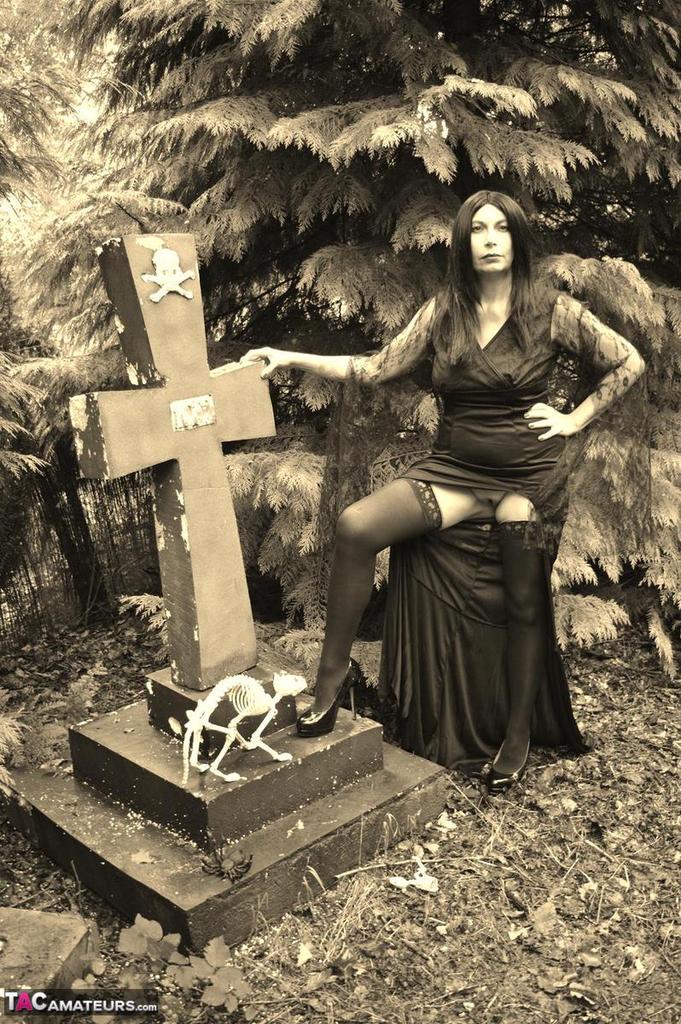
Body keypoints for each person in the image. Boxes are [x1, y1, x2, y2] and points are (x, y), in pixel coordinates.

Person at [239, 190, 646, 793]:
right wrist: (287, 356)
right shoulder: (444, 311)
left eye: (499, 228)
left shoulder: (553, 310)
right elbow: (374, 367)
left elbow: (629, 362)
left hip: (529, 477)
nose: (489, 239)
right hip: (454, 468)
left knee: (523, 598)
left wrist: (573, 418)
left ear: (516, 240)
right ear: (463, 242)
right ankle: (329, 684)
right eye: (477, 229)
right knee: (356, 526)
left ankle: (516, 735)